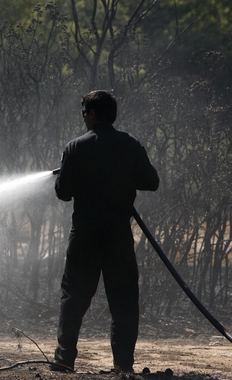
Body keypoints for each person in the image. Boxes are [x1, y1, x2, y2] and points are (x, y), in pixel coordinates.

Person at [52, 90, 159, 373]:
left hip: (84, 236)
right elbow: (152, 181)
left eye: (84, 112)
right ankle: (123, 366)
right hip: (118, 237)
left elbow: (63, 192)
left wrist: (67, 172)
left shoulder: (74, 147)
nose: (83, 117)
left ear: (93, 114)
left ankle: (64, 360)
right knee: (124, 301)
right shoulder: (130, 144)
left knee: (74, 297)